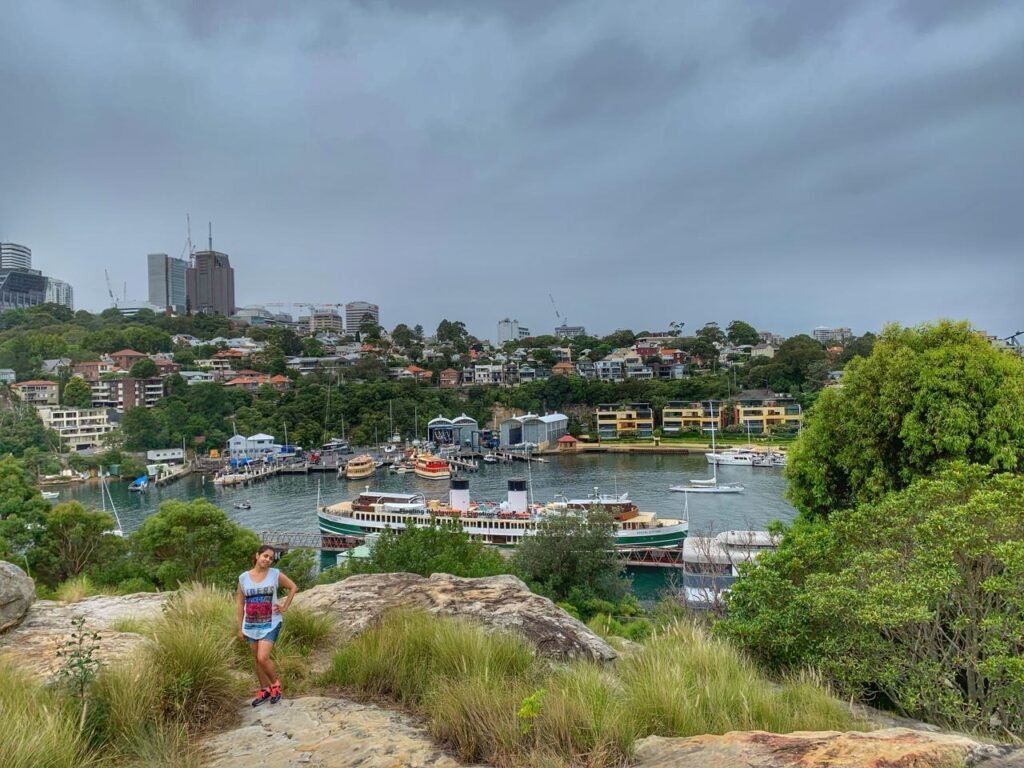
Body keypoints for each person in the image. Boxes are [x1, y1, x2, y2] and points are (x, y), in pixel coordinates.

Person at [237, 544, 298, 706]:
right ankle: (264, 690)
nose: (268, 560)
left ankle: (275, 686)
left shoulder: (275, 574)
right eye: (265, 556)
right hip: (250, 625)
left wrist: (284, 606)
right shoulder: (243, 578)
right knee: (256, 660)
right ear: (257, 556)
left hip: (271, 623)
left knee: (262, 657)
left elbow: (293, 587)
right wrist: (239, 628)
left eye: (271, 558)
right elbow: (239, 603)